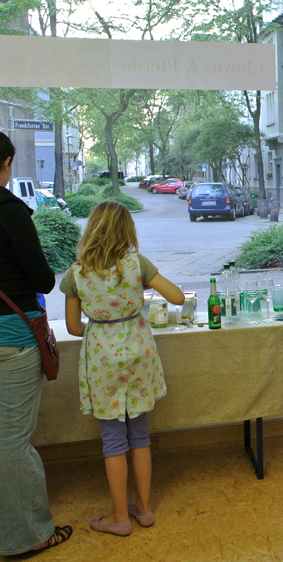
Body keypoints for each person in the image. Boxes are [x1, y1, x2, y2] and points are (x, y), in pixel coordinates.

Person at [60, 200, 184, 537]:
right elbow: (177, 297)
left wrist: (100, 329)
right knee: (140, 434)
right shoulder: (136, 264)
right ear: (127, 230)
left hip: (102, 359)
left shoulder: (76, 273)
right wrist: (142, 287)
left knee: (113, 439)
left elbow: (72, 327)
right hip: (139, 353)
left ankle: (119, 517)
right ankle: (143, 509)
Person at [0, 131, 73, 558]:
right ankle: (27, 535)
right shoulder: (11, 211)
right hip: (12, 339)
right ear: (7, 163)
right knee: (12, 441)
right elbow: (44, 280)